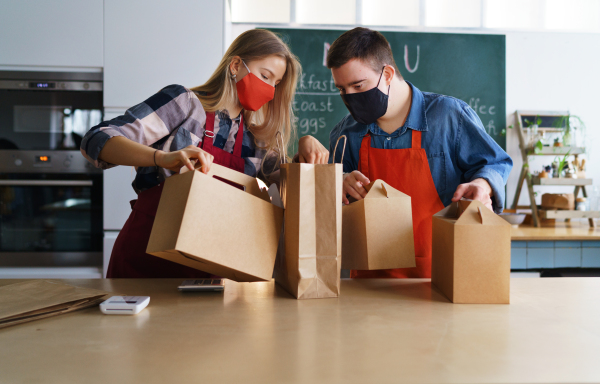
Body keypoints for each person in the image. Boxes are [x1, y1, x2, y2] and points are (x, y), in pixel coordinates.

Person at [81, 29, 329, 278]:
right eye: (265, 76)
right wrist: (161, 158)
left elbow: (288, 189)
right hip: (145, 257)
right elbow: (96, 139)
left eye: (276, 84)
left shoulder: (259, 142)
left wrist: (304, 150)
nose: (270, 91)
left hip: (210, 266)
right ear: (235, 66)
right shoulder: (185, 104)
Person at [327, 27, 513, 278]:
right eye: (341, 89)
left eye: (358, 86)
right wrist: (338, 181)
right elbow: (329, 208)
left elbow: (495, 162)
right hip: (370, 287)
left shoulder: (449, 117)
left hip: (442, 278)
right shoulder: (345, 133)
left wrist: (483, 184)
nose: (349, 97)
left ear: (388, 74)